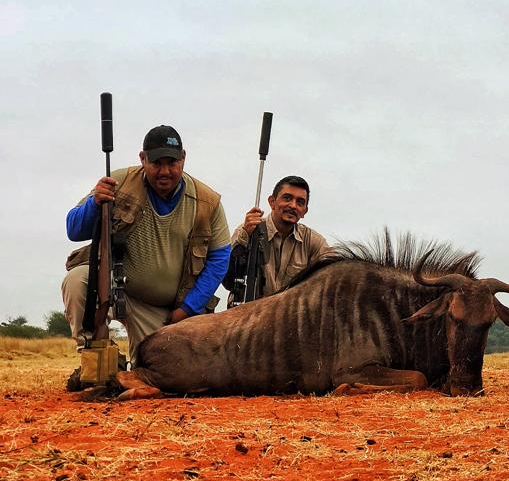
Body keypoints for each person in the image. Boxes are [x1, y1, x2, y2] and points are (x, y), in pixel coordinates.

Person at [62, 125, 231, 365]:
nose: (165, 171)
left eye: (172, 163)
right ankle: (97, 359)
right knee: (77, 280)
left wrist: (187, 310)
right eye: (156, 163)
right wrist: (94, 205)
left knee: (163, 372)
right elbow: (74, 229)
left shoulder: (207, 201)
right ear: (142, 159)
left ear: (183, 159)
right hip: (114, 289)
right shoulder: (117, 182)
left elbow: (219, 260)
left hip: (166, 310)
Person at [224, 175, 332, 303]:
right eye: (287, 198)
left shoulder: (314, 242)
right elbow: (228, 281)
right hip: (248, 314)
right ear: (272, 202)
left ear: (304, 211)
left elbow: (331, 278)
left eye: (300, 202)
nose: (293, 205)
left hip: (288, 318)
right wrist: (244, 237)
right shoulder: (248, 229)